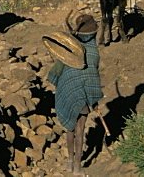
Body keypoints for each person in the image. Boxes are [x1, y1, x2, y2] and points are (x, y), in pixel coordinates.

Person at [47, 13, 103, 175]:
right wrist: (95, 101)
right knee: (80, 130)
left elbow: (58, 70)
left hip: (69, 92)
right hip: (84, 96)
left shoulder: (70, 49)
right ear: (93, 33)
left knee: (69, 128)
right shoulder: (94, 52)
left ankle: (69, 163)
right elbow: (93, 78)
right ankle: (78, 166)